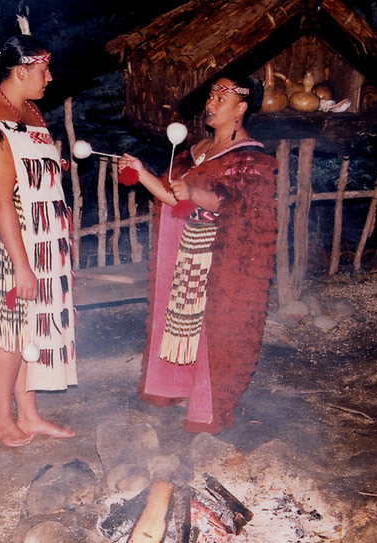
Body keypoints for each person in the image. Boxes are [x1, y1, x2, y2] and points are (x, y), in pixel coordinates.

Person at [118, 74, 277, 434]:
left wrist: (193, 191)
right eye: (210, 97)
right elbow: (174, 197)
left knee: (213, 331)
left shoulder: (251, 157)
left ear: (241, 109)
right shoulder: (198, 149)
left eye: (221, 99)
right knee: (181, 325)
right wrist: (140, 172)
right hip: (186, 254)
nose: (210, 104)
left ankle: (207, 401)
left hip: (220, 260)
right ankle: (175, 385)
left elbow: (235, 204)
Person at [0, 35, 77, 447]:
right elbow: (0, 202)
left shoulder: (30, 112)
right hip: (9, 242)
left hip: (38, 238)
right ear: (21, 70)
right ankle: (2, 420)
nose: (49, 77)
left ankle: (28, 416)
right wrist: (22, 264)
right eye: (43, 70)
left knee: (29, 330)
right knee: (8, 333)